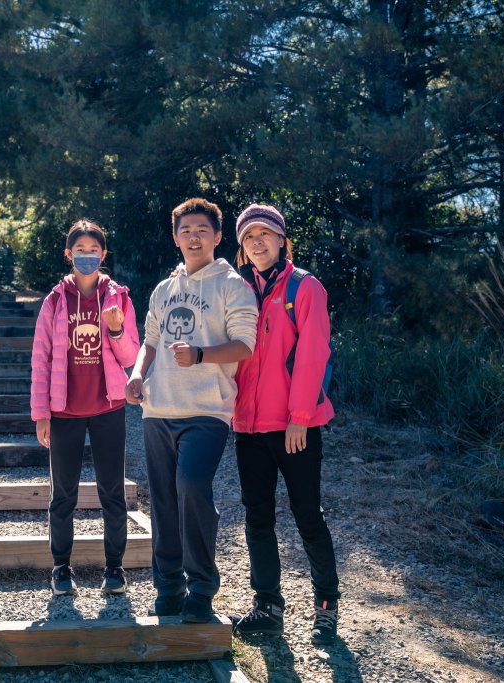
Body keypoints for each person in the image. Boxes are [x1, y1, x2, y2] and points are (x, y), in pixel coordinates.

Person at [126, 198, 258, 623]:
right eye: (185, 230)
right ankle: (168, 586)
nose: (193, 236)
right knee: (163, 500)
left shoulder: (233, 285)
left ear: (218, 236)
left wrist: (200, 354)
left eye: (202, 229)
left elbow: (245, 345)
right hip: (158, 408)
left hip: (207, 410)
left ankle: (201, 588)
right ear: (175, 237)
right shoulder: (164, 290)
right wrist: (136, 374)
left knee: (191, 487)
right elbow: (148, 343)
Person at [229, 202, 341, 645]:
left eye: (265, 234)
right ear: (241, 247)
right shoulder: (235, 289)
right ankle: (267, 607)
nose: (257, 242)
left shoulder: (304, 287)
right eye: (249, 236)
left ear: (281, 240)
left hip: (294, 426)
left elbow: (315, 355)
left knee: (307, 516)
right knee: (257, 519)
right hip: (248, 426)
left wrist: (299, 419)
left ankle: (326, 607)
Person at [31, 219, 141, 597]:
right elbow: (40, 359)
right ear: (68, 254)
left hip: (108, 407)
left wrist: (114, 329)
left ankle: (115, 568)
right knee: (64, 494)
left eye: (94, 251)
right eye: (80, 251)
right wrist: (41, 414)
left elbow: (131, 356)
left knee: (112, 490)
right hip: (63, 411)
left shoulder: (118, 298)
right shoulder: (55, 301)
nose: (88, 257)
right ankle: (61, 567)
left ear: (104, 254)